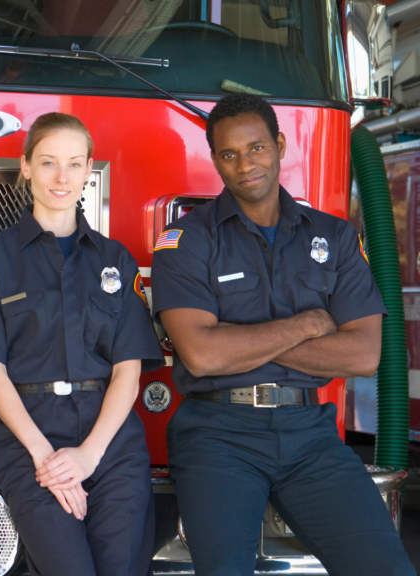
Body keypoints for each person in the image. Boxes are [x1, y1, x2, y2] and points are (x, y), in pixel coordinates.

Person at [151, 93, 415, 576]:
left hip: (309, 434)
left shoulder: (333, 236)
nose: (244, 164)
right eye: (229, 154)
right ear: (215, 160)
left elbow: (363, 356)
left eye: (255, 148)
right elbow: (203, 355)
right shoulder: (186, 241)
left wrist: (243, 343)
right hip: (216, 435)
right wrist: (309, 325)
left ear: (279, 144)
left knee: (386, 567)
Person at [0, 112, 163, 576]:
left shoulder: (115, 259)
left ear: (89, 169)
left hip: (111, 442)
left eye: (73, 164)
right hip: (28, 439)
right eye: (47, 163)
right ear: (25, 167)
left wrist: (88, 455)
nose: (61, 178)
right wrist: (46, 458)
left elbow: (128, 371)